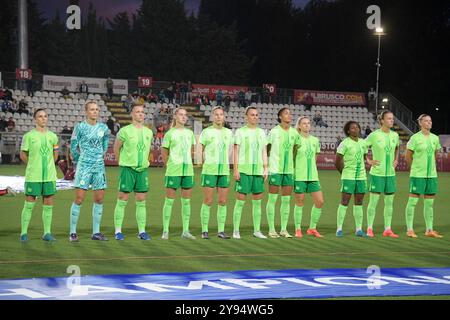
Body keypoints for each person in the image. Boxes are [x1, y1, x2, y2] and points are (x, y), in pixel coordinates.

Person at [69, 101, 110, 242]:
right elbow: (73, 146)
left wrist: (99, 156)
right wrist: (79, 159)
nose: (95, 112)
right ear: (86, 111)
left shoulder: (103, 128)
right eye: (92, 109)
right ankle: (73, 232)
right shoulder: (80, 127)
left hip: (99, 167)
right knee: (79, 199)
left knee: (99, 199)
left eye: (97, 109)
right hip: (84, 167)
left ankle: (96, 232)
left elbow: (105, 143)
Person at [113, 103, 154, 241]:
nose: (141, 114)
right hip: (128, 169)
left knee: (141, 200)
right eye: (137, 112)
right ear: (132, 114)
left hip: (142, 171)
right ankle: (118, 231)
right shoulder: (125, 131)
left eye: (142, 112)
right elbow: (116, 148)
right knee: (122, 199)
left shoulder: (149, 132)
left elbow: (148, 150)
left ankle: (142, 231)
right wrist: (121, 163)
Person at [19, 109, 59, 242]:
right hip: (33, 176)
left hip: (49, 176)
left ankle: (47, 233)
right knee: (29, 203)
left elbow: (56, 153)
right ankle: (23, 233)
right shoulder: (29, 136)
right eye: (40, 117)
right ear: (35, 119)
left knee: (48, 203)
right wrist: (32, 164)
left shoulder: (53, 136)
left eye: (45, 116)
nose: (43, 119)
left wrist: (49, 165)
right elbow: (23, 154)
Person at [232, 106, 268, 239]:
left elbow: (264, 151)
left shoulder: (262, 132)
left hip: (258, 171)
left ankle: (257, 230)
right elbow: (235, 151)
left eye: (256, 115)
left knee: (257, 202)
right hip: (244, 170)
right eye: (252, 115)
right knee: (240, 201)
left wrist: (265, 168)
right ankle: (236, 230)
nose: (255, 117)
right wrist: (236, 169)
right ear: (246, 116)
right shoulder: (240, 132)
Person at [404, 114, 443, 238]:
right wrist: (414, 169)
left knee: (429, 204)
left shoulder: (435, 138)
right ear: (420, 123)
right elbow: (407, 156)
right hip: (417, 175)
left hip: (431, 175)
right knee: (413, 201)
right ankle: (409, 229)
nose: (429, 123)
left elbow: (435, 154)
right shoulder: (414, 138)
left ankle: (429, 230)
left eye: (430, 120)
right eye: (426, 121)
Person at [161, 107, 196, 240]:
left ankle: (185, 231)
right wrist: (168, 165)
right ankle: (165, 230)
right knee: (169, 201)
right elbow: (164, 151)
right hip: (173, 170)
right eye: (180, 115)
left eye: (185, 115)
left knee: (186, 202)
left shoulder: (190, 133)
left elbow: (192, 150)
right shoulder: (170, 133)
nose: (183, 117)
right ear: (175, 116)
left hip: (187, 170)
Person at [199, 107, 233, 239]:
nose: (219, 117)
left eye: (221, 114)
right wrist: (203, 163)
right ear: (213, 117)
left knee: (223, 201)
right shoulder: (206, 132)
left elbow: (230, 150)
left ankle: (221, 230)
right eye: (216, 115)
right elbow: (200, 148)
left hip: (224, 170)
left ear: (224, 117)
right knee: (208, 200)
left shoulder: (229, 133)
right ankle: (204, 230)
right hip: (210, 170)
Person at [365, 110, 400, 238]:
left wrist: (396, 159)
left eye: (392, 118)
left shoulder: (395, 135)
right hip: (377, 174)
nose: (392, 121)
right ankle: (369, 228)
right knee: (373, 202)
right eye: (389, 119)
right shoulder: (374, 135)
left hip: (390, 174)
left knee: (389, 203)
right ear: (382, 121)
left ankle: (388, 229)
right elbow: (363, 146)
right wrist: (368, 160)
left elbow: (397, 147)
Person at [265, 108, 299, 238]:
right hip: (275, 170)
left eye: (290, 113)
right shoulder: (274, 131)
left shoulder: (294, 133)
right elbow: (267, 149)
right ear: (280, 116)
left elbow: (295, 149)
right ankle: (272, 229)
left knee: (286, 200)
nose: (289, 115)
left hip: (289, 171)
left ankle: (284, 229)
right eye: (286, 113)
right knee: (272, 199)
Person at [335, 121, 370, 237]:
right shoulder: (344, 143)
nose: (356, 129)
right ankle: (339, 228)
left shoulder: (363, 143)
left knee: (359, 202)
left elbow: (365, 157)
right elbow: (337, 160)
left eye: (357, 127)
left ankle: (359, 229)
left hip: (361, 177)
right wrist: (343, 172)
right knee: (344, 202)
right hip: (348, 176)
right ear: (348, 131)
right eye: (353, 128)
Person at [293, 116, 324, 238]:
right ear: (299, 126)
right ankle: (298, 229)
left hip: (313, 177)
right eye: (304, 123)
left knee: (320, 202)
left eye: (308, 123)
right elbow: (292, 157)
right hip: (299, 176)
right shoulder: (296, 139)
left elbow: (315, 159)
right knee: (300, 202)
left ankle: (312, 228)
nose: (307, 125)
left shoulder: (315, 140)